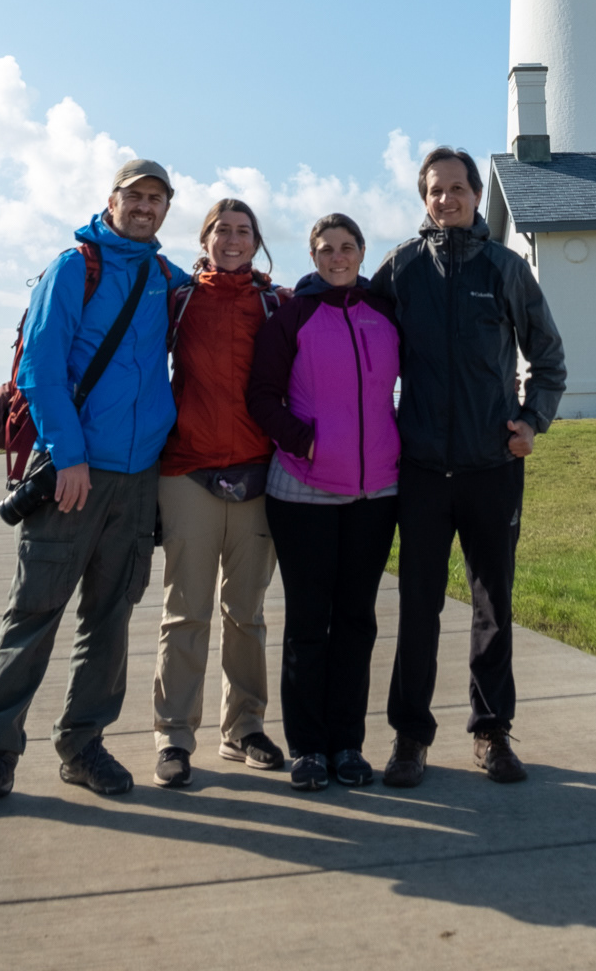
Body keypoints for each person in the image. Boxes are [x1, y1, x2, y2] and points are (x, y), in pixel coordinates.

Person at [0, 159, 189, 817]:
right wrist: (69, 455)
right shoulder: (75, 268)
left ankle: (83, 745)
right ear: (111, 201)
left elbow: (216, 294)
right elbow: (40, 368)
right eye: (135, 196)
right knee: (34, 614)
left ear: (166, 209)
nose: (145, 206)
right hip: (72, 474)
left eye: (157, 198)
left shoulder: (166, 277)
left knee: (109, 620)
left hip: (137, 479)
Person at [369, 146, 566, 788]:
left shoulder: (506, 268)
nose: (446, 199)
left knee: (493, 607)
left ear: (477, 195)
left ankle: (491, 732)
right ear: (423, 199)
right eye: (435, 190)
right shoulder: (400, 268)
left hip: (491, 468)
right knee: (417, 607)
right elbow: (354, 334)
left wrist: (531, 421)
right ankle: (409, 738)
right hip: (422, 470)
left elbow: (548, 357)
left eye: (457, 188)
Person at [248, 212, 400, 791]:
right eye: (325, 249)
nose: (337, 257)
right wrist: (307, 442)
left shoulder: (385, 313)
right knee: (310, 624)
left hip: (376, 491)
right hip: (302, 491)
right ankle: (308, 748)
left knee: (357, 622)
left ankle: (348, 745)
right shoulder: (293, 316)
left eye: (346, 247)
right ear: (312, 257)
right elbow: (262, 396)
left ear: (362, 252)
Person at [152, 197, 287, 788]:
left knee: (246, 615)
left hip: (259, 474)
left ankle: (244, 728)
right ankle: (174, 736)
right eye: (222, 230)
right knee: (186, 613)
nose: (233, 240)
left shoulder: (276, 303)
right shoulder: (178, 300)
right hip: (187, 471)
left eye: (243, 231)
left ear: (256, 241)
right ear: (204, 239)